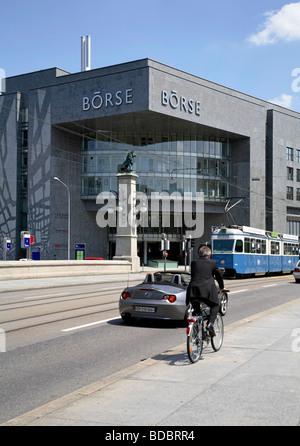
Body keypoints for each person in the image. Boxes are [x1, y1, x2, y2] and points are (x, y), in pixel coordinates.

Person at [186, 245, 225, 336]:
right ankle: (210, 324)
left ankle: (198, 330)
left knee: (197, 309)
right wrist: (222, 287)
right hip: (206, 291)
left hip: (193, 291)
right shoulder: (212, 263)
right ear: (209, 255)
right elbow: (218, 276)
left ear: (199, 254)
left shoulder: (193, 262)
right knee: (215, 305)